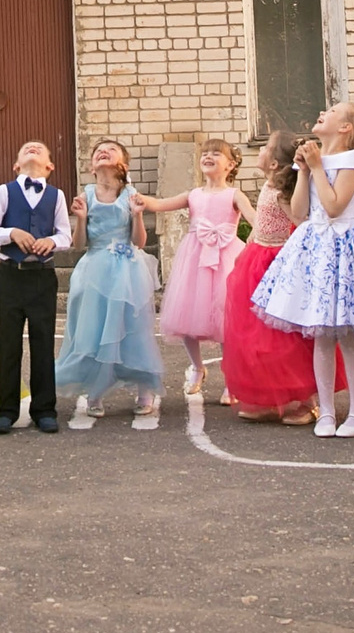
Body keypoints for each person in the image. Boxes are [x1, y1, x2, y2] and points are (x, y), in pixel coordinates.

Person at [250, 104, 354, 439]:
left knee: (345, 333)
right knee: (321, 335)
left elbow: (333, 207)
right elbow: (300, 213)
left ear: (345, 129)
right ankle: (327, 411)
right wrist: (303, 170)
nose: (321, 112)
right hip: (314, 247)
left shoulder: (352, 161)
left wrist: (315, 166)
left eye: (331, 112)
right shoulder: (313, 163)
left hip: (345, 248)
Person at [54, 139, 167, 430]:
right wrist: (80, 219)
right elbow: (79, 244)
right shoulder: (87, 195)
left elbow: (139, 242)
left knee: (133, 328)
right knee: (94, 328)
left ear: (123, 165)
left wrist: (139, 215)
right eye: (97, 151)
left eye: (111, 149)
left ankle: (144, 389)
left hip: (128, 269)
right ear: (92, 166)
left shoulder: (130, 194)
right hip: (94, 268)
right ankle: (96, 389)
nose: (103, 152)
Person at [220, 133, 331, 424]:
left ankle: (305, 401)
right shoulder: (268, 184)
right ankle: (271, 398)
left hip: (277, 261)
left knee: (286, 336)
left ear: (272, 163)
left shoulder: (283, 191)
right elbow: (259, 224)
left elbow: (298, 221)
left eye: (265, 147)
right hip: (256, 258)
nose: (259, 150)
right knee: (258, 335)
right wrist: (247, 250)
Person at [141, 139, 246, 401]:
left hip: (226, 258)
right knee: (187, 316)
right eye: (205, 153)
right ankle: (198, 367)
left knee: (226, 321)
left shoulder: (234, 195)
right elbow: (159, 204)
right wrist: (136, 197)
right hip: (195, 258)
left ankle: (231, 380)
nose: (208, 156)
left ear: (230, 165)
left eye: (216, 154)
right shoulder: (193, 195)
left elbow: (255, 218)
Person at [0, 140, 71, 434]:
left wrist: (52, 241)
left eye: (40, 149)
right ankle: (6, 409)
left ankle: (44, 408)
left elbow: (65, 235)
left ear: (50, 166)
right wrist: (11, 233)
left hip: (42, 277)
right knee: (8, 344)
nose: (32, 149)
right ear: (16, 165)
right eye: (26, 149)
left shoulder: (56, 196)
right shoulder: (3, 192)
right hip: (11, 275)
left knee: (43, 342)